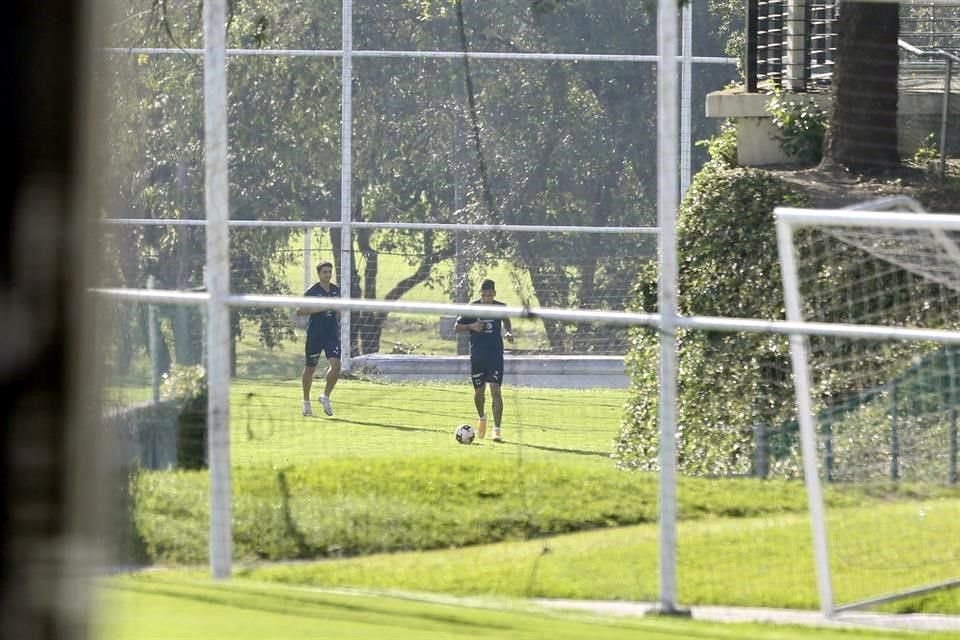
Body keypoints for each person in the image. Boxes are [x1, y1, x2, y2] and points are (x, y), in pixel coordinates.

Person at [454, 279, 514, 441]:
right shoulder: (472, 308)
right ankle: (482, 418)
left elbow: (506, 320)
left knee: (496, 390)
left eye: (490, 294)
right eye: (484, 295)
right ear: (480, 294)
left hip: (495, 356)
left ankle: (497, 430)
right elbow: (457, 327)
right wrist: (471, 326)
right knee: (479, 392)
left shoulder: (500, 307)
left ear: (494, 293)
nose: (487, 298)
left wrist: (508, 332)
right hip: (478, 356)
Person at [296, 261, 341, 417]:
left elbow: (338, 310)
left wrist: (336, 316)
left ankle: (325, 396)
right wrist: (323, 307)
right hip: (315, 334)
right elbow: (300, 311)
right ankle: (306, 402)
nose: (328, 275)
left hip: (331, 334)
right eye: (324, 272)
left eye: (329, 272)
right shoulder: (312, 291)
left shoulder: (336, 290)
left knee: (336, 365)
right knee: (310, 368)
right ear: (319, 274)